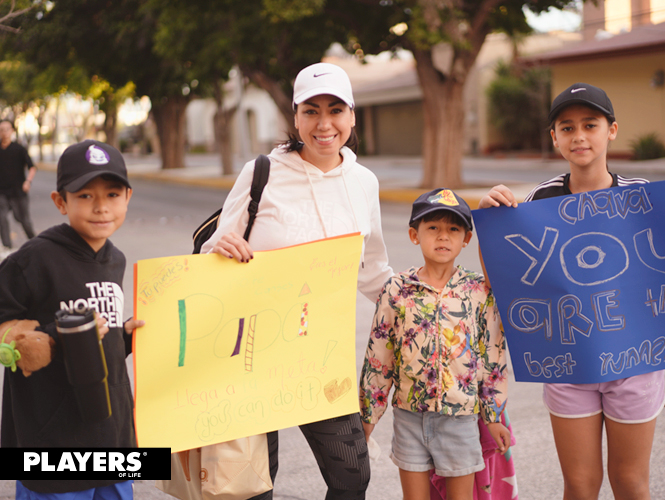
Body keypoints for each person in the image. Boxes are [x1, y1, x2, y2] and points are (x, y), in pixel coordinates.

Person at [201, 62, 393, 499]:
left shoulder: (364, 182)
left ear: (352, 116)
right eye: (311, 111)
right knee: (252, 483)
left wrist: (428, 301)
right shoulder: (263, 172)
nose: (324, 124)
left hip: (319, 354)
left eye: (335, 110)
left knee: (352, 475)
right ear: (295, 116)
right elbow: (213, 248)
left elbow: (375, 270)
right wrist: (223, 248)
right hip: (251, 351)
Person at [478, 82, 665, 500]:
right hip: (568, 363)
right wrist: (490, 230)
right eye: (567, 127)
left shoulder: (642, 199)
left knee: (631, 482)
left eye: (590, 124)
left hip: (634, 363)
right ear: (555, 139)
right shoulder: (537, 201)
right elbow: (502, 283)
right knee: (580, 485)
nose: (579, 135)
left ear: (611, 130)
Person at [0, 139, 145, 499]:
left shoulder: (115, 258)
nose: (101, 208)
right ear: (60, 202)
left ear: (128, 197)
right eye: (84, 196)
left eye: (112, 194)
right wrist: (56, 338)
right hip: (52, 440)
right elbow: (5, 342)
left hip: (110, 435)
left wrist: (123, 336)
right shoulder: (32, 260)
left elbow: (101, 336)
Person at [359, 188, 511, 500]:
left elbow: (491, 356)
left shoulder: (478, 292)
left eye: (453, 229)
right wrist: (368, 416)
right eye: (433, 228)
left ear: (466, 239)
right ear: (415, 235)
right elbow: (379, 355)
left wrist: (493, 416)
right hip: (409, 417)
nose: (443, 237)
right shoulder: (397, 289)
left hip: (461, 419)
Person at [0, 119, 37, 256]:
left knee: (23, 220)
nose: (4, 132)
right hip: (2, 192)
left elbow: (32, 167)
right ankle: (7, 247)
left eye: (7, 129)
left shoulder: (19, 149)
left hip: (18, 191)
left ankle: (35, 244)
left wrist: (28, 182)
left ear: (12, 131)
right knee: (1, 218)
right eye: (1, 129)